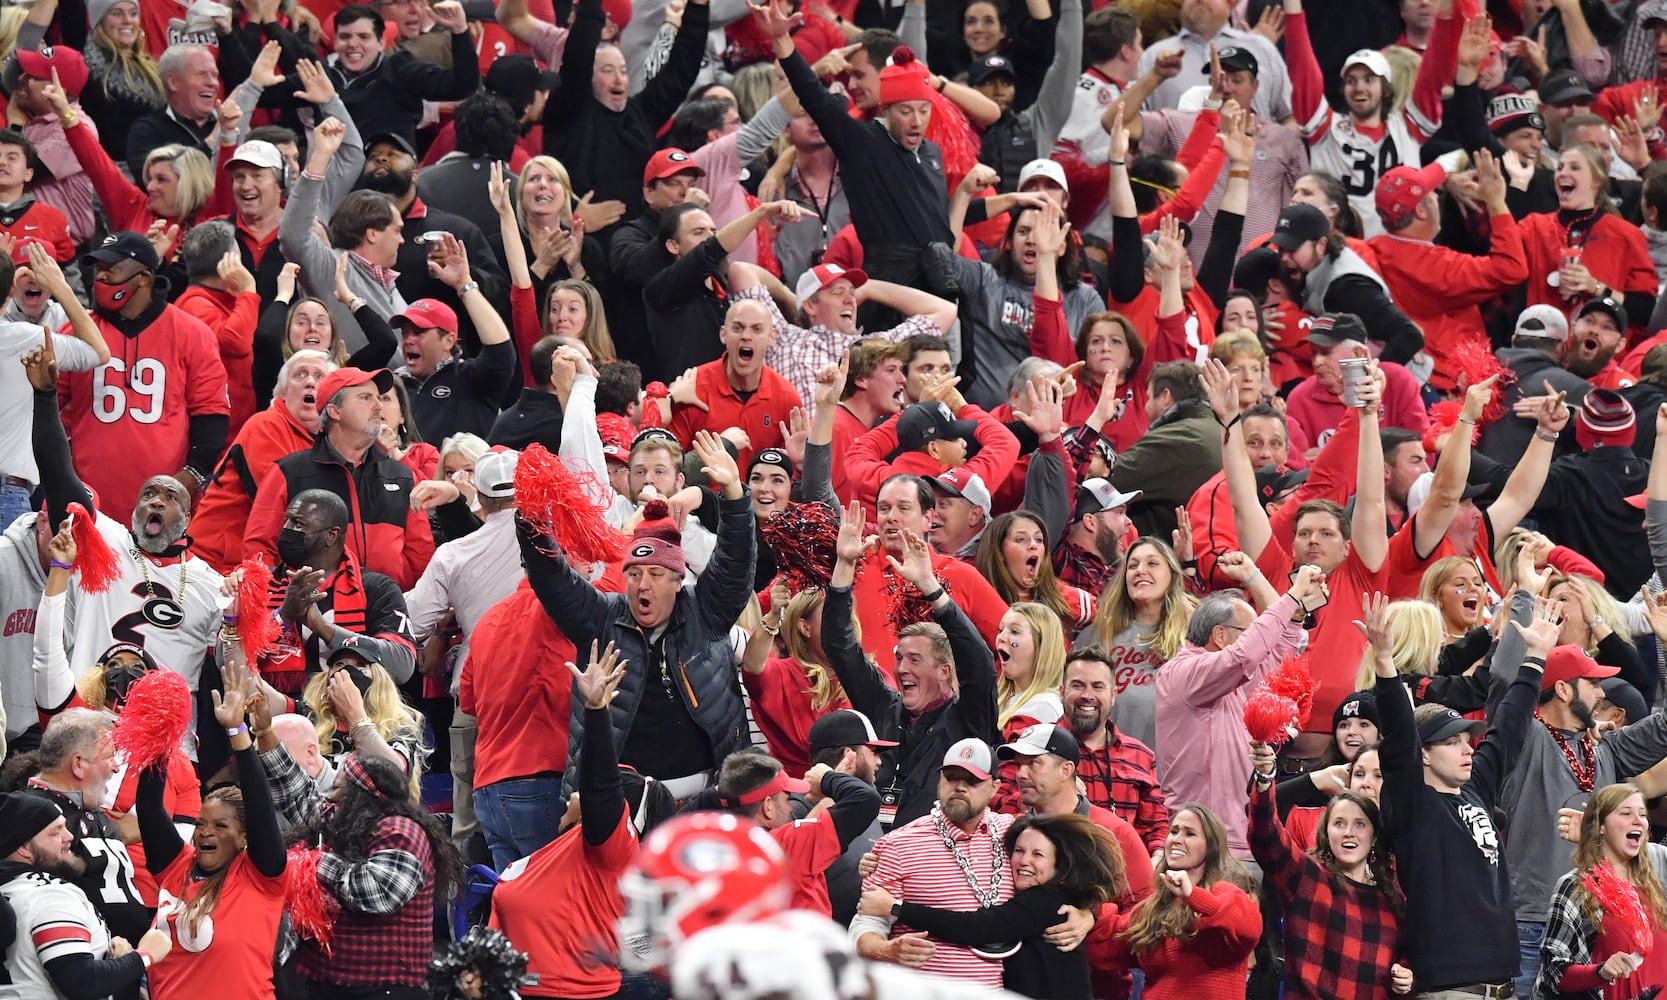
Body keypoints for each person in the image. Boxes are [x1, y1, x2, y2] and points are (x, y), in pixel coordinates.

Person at [520, 431, 754, 802]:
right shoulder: (601, 618)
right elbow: (552, 580)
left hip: (708, 800)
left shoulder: (704, 611)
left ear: (679, 580)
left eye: (656, 575)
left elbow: (735, 564)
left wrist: (735, 498)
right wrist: (531, 515)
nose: (643, 585)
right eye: (634, 574)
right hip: (623, 807)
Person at [1370, 587, 1561, 997]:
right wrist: (1385, 663)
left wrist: (1535, 659)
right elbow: (1399, 740)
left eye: (1466, 739)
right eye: (1452, 742)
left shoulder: (1474, 788)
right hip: (1451, 989)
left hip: (1505, 986)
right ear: (1422, 754)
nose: (1466, 748)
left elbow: (1508, 727)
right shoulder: (1413, 804)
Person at [1211, 354, 1390, 745]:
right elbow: (1243, 501)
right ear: (1291, 542)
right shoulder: (1274, 568)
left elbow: (1373, 501)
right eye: (1305, 532)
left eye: (1326, 534)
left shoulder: (1361, 574)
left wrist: (1369, 416)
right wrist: (1229, 422)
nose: (1313, 539)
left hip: (1350, 755)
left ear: (1347, 547)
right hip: (1267, 750)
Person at [26, 340, 226, 691]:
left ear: (188, 517)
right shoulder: (105, 542)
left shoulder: (211, 585)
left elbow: (228, 669)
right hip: (92, 725)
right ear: (134, 510)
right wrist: (45, 400)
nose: (157, 502)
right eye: (148, 494)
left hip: (170, 736)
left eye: (170, 496)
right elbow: (58, 477)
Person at [488, 640, 677, 998]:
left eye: (585, 794)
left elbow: (600, 786)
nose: (576, 792)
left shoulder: (615, 850)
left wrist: (596, 711)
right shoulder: (573, 849)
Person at [824, 499, 1000, 829]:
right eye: (900, 658)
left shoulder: (968, 719)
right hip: (877, 858)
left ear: (945, 671)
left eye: (915, 660)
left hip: (938, 864)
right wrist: (845, 565)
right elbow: (841, 648)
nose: (902, 668)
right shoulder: (883, 708)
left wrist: (931, 588)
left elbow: (979, 664)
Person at [1502, 642, 1667, 994]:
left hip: (1602, 924)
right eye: (1592, 683)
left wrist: (1666, 643)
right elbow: (1505, 694)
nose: (1601, 692)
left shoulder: (1605, 748)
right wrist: (1533, 647)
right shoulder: (1526, 741)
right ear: (1562, 690)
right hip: (1532, 922)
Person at [136, 652, 286, 1000]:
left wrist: (237, 731)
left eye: (220, 826)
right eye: (202, 823)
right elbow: (148, 809)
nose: (205, 832)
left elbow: (260, 806)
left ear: (244, 837)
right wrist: (161, 735)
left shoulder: (262, 878)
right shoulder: (176, 870)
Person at [1157, 564, 1325, 865]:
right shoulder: (1183, 674)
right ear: (1220, 636)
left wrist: (1297, 614)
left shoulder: (1228, 683)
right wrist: (1292, 594)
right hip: (1205, 851)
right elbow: (1246, 654)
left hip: (1239, 845)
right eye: (1250, 631)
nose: (1257, 641)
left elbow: (1275, 661)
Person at [56, 230, 229, 518]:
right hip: (88, 504)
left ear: (144, 278)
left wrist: (187, 480)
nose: (101, 278)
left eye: (111, 269)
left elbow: (211, 417)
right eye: (98, 269)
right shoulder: (76, 330)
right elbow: (47, 403)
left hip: (162, 510)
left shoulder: (192, 333)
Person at [857, 812, 1121, 1000]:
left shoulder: (1047, 901)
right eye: (1018, 851)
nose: (1024, 861)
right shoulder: (1040, 895)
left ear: (1059, 865)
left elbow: (977, 928)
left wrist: (896, 907)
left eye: (1038, 854)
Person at [244, 367, 443, 591]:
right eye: (365, 398)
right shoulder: (288, 472)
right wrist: (278, 601)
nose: (378, 406)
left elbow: (422, 556)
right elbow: (259, 550)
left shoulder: (402, 475)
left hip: (390, 610)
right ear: (334, 411)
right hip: (312, 613)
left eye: (378, 398)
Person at [1283, 0, 1459, 238]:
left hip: (1399, 252)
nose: (1359, 88)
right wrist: (1292, 8)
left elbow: (1434, 72)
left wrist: (1448, 17)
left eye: (1369, 79)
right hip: (1339, 250)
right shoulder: (1325, 129)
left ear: (1385, 88)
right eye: (1351, 80)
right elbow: (1301, 67)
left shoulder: (1407, 127)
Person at [1248, 741, 1409, 1000]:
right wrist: (1265, 778)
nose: (1348, 832)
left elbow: (1413, 952)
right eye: (1339, 823)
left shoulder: (1394, 897)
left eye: (1359, 824)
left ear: (1374, 836)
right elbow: (1265, 836)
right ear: (1326, 832)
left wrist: (1408, 973)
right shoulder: (1307, 878)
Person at [1367, 152, 1529, 392]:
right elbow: (1512, 269)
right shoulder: (1438, 266)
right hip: (1452, 390)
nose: (1436, 197)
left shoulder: (1372, 250)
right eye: (1433, 193)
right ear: (1421, 211)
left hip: (1412, 382)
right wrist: (1496, 203)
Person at [0, 790, 171, 1000]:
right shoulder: (50, 893)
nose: (69, 836)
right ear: (24, 847)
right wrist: (144, 955)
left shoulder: (8, 888)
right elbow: (82, 982)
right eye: (55, 832)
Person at [1087, 803, 1262, 1000]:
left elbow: (1248, 927)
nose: (1177, 840)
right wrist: (1089, 914)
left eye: (1190, 834)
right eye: (1174, 831)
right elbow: (1105, 947)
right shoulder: (1152, 908)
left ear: (1211, 847)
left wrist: (1193, 895)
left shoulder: (1226, 894)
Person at [191, 350, 336, 573]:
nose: (309, 382)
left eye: (319, 377)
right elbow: (291, 507)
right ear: (284, 393)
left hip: (252, 565)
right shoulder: (266, 425)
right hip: (216, 565)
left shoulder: (324, 442)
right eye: (300, 375)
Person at [0, 242, 108, 532]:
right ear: (11, 290)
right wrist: (61, 287)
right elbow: (99, 352)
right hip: (6, 494)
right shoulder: (26, 337)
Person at [1537, 783, 1667, 997]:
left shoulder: (1657, 880)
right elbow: (1553, 971)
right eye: (1626, 813)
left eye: (1642, 814)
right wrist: (1600, 971)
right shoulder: (1577, 887)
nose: (1638, 820)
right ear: (1601, 826)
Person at [391, 240, 517, 444]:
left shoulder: (471, 379)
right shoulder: (393, 385)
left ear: (448, 341)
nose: (408, 340)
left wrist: (464, 284)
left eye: (419, 332)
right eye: (405, 333)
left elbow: (501, 350)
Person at [1518, 147, 1656, 329]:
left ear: (1596, 180)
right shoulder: (1534, 227)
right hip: (1541, 345)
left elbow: (1645, 310)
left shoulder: (1627, 235)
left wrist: (1596, 288)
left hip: (1601, 350)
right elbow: (1499, 256)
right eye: (1559, 167)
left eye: (1574, 167)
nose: (1562, 173)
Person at [1080, 536, 1195, 751]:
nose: (1140, 570)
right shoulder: (1096, 636)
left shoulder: (1192, 636)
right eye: (1132, 565)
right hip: (1110, 770)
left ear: (1171, 573)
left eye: (1152, 563)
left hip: (1175, 774)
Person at [322, 3, 479, 149]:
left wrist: (459, 31)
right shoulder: (321, 76)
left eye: (364, 37)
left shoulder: (399, 69)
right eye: (345, 37)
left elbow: (461, 85)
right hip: (333, 173)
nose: (353, 44)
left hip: (390, 174)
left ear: (381, 43)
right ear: (335, 43)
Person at [1062, 648, 1168, 854]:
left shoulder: (1141, 756)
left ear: (1113, 695)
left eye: (1098, 687)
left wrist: (1156, 859)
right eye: (1077, 685)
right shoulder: (1036, 748)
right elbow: (1004, 807)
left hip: (1122, 877)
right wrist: (1048, 788)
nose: (1087, 695)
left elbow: (1156, 830)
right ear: (1061, 691)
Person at [1053, 479, 1138, 598]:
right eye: (1119, 513)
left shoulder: (1120, 573)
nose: (1129, 522)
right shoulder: (1063, 559)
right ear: (1090, 522)